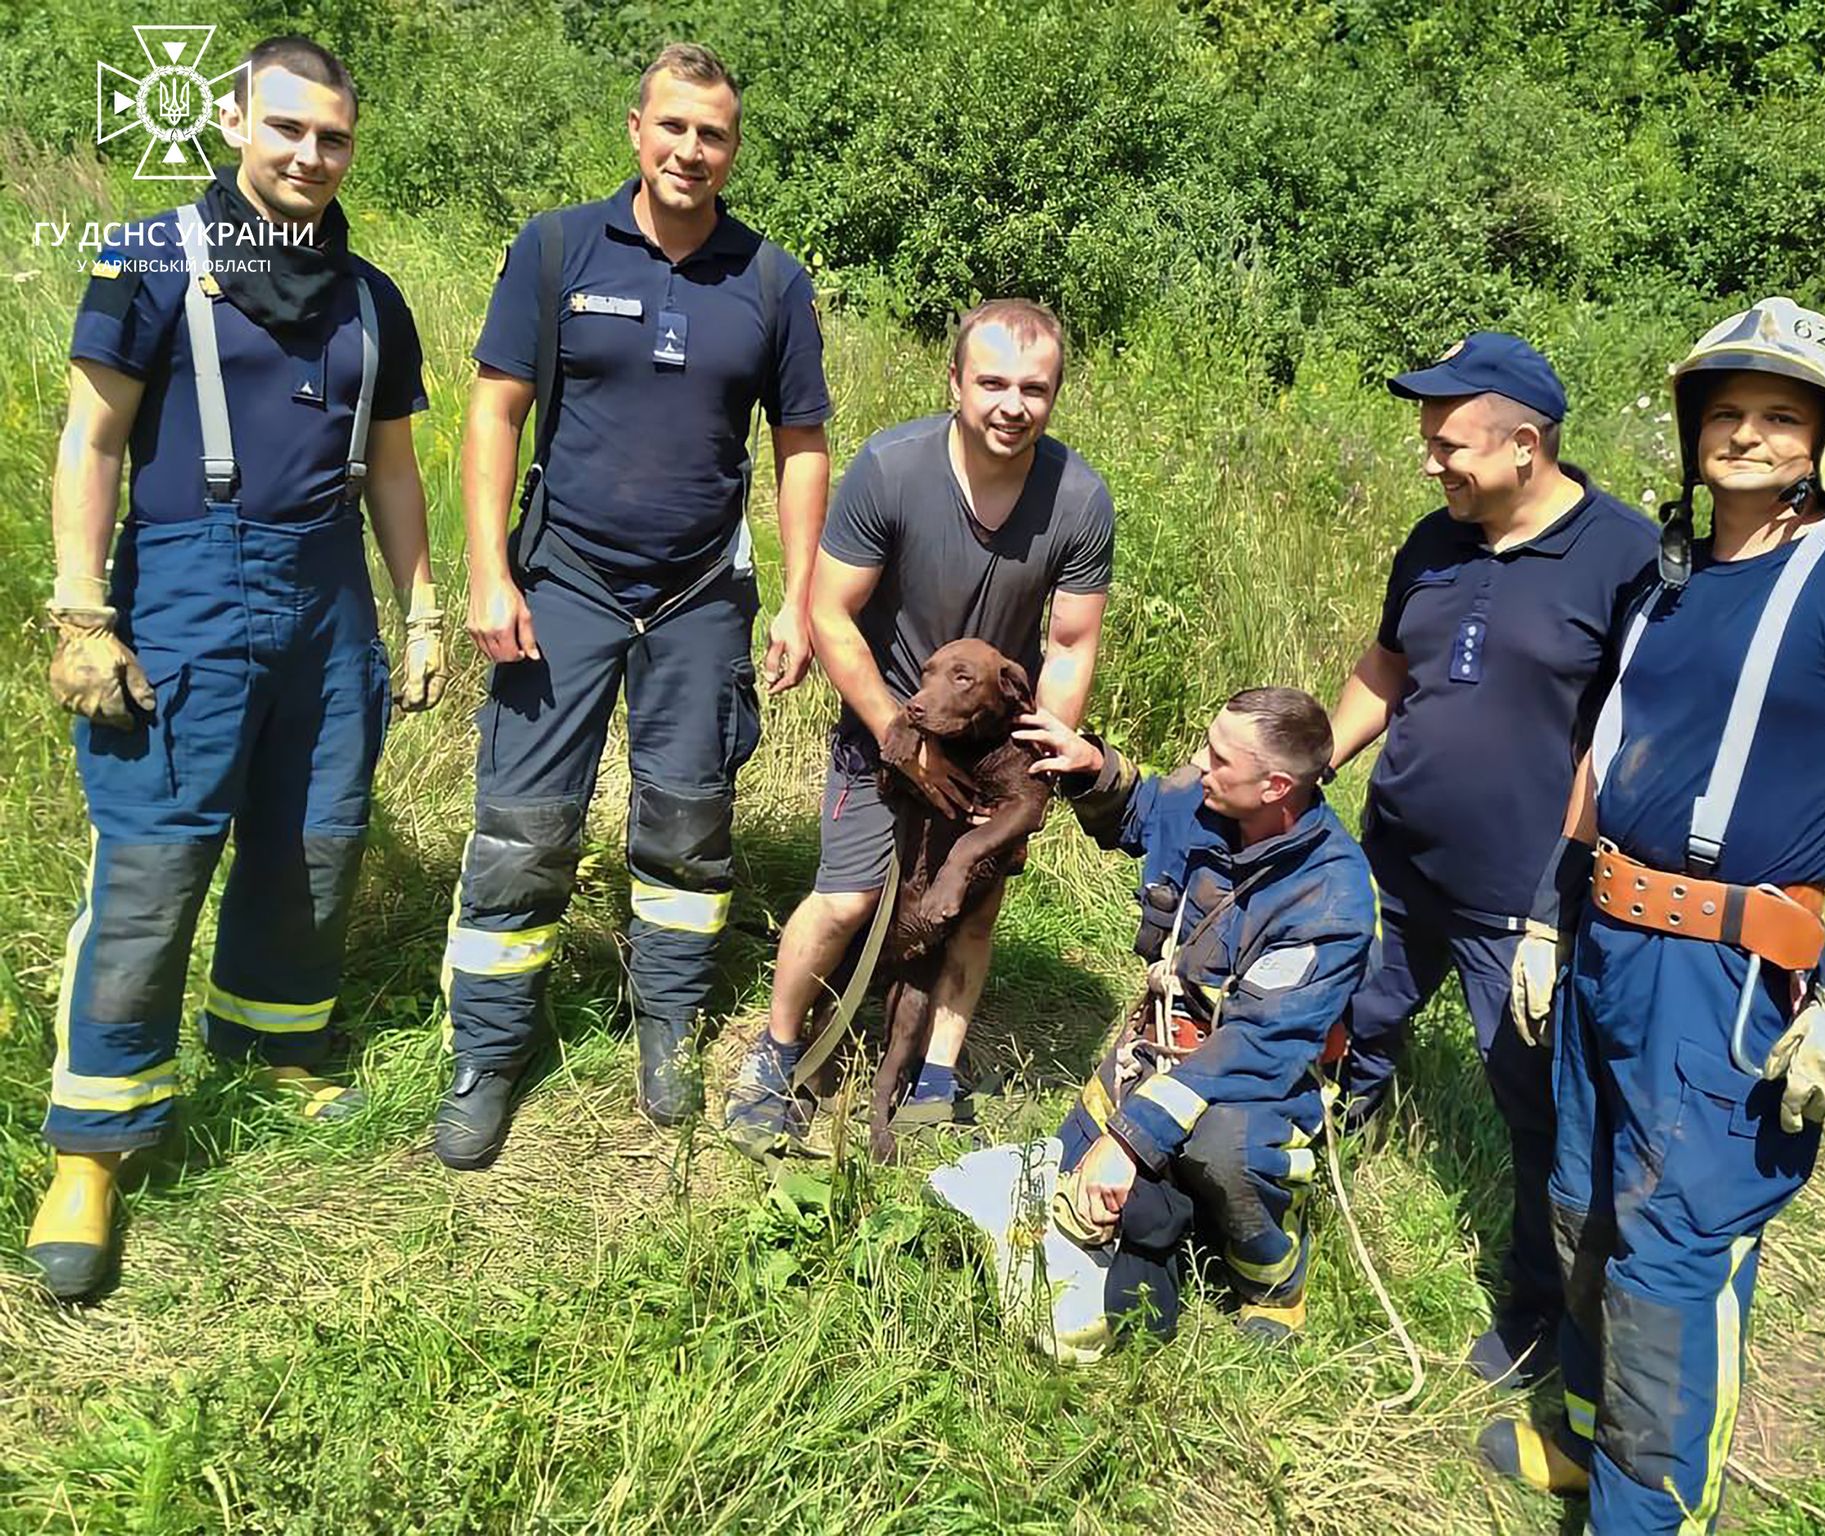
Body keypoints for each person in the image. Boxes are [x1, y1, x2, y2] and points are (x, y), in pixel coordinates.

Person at [1482, 298, 1825, 1535]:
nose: (1745, 435)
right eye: (1725, 413)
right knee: (1585, 1204)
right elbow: (1602, 764)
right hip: (1605, 937)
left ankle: (1644, 1516)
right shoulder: (1670, 583)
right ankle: (1593, 1445)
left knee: (1670, 1253)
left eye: (1779, 417)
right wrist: (1552, 917)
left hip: (1727, 977)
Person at [29, 36, 443, 1298]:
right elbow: (91, 440)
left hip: (327, 597)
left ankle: (275, 1044)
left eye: (333, 138)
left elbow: (390, 469)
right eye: (288, 129)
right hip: (187, 592)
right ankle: (95, 1143)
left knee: (315, 836)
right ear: (234, 120)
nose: (311, 156)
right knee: (154, 864)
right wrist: (79, 612)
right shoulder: (153, 261)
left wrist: (421, 609)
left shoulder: (373, 296)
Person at [436, 43, 832, 1168]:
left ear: (733, 148)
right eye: (672, 127)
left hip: (704, 591)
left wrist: (797, 600)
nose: (689, 151)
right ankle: (489, 1054)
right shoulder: (557, 245)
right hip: (561, 578)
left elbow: (800, 447)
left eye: (711, 134)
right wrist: (487, 569)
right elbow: (496, 412)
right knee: (522, 828)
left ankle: (664, 1025)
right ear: (635, 128)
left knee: (687, 822)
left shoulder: (771, 280)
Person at [1328, 332, 1657, 1387]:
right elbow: (1385, 667)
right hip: (1393, 862)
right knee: (1349, 1020)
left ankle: (1536, 1313)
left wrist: (1558, 903)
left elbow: (1625, 739)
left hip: (1518, 900)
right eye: (1427, 439)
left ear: (1525, 446)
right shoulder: (1433, 538)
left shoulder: (1626, 560)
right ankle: (1323, 1162)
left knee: (1534, 1106)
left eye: (1450, 443)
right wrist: (1304, 766)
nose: (1431, 460)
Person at [720, 299, 1111, 1157]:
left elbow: (1072, 645)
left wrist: (1041, 761)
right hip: (890, 718)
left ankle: (937, 1071)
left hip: (995, 739)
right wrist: (904, 732)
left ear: (1054, 395)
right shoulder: (892, 468)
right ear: (956, 382)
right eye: (994, 382)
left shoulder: (1078, 497)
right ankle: (777, 1056)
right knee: (853, 893)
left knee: (973, 907)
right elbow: (830, 611)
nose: (1013, 404)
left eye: (1035, 389)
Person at [932, 689, 1374, 1354]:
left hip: (1255, 1077)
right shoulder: (1209, 798)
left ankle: (1273, 1279)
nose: (1200, 761)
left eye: (1220, 758)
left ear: (1276, 785)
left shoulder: (1331, 898)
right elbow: (1141, 807)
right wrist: (1087, 766)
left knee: (1224, 1148)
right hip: (1157, 1050)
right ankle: (1179, 1207)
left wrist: (1133, 1137)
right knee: (1068, 1182)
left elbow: (1256, 1045)